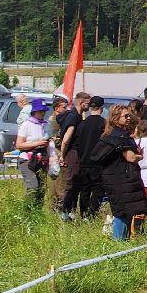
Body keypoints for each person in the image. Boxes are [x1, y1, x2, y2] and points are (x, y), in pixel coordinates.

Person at [88, 105, 147, 240]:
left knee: (124, 210)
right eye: (125, 116)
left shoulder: (110, 135)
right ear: (115, 118)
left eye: (129, 115)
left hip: (115, 176)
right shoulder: (119, 136)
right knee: (123, 211)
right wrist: (140, 156)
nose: (128, 118)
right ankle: (119, 241)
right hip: (120, 178)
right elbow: (130, 157)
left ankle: (121, 240)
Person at [56, 92, 89, 220]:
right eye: (88, 103)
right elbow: (66, 139)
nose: (89, 105)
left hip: (75, 153)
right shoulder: (74, 117)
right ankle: (65, 212)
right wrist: (62, 155)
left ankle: (72, 212)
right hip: (73, 152)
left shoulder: (77, 116)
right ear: (82, 103)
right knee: (71, 182)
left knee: (76, 183)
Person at [15, 97, 52, 205]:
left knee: (42, 187)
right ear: (34, 112)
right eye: (40, 111)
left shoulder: (45, 124)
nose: (43, 113)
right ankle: (28, 209)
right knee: (33, 186)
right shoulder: (26, 124)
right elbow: (19, 145)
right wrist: (37, 143)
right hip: (27, 159)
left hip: (42, 158)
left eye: (44, 111)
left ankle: (38, 210)